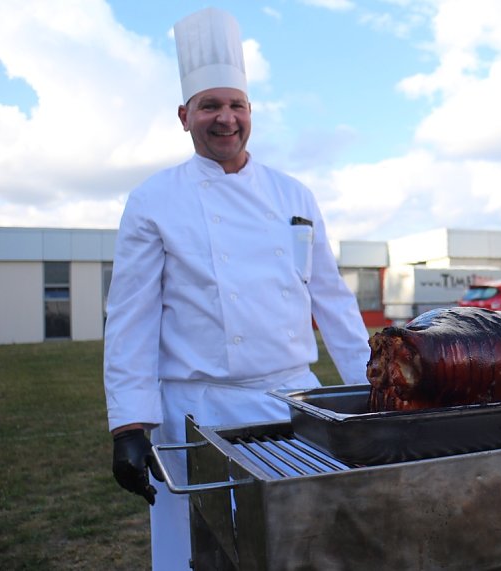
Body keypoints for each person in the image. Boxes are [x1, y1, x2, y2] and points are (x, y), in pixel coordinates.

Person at [103, 8, 370, 570]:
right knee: (199, 553)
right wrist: (129, 425)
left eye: (235, 105)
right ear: (184, 116)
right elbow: (130, 319)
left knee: (297, 547)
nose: (225, 119)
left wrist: (372, 389)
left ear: (251, 112)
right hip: (196, 413)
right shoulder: (153, 201)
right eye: (209, 107)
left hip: (293, 405)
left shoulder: (294, 194)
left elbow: (333, 301)